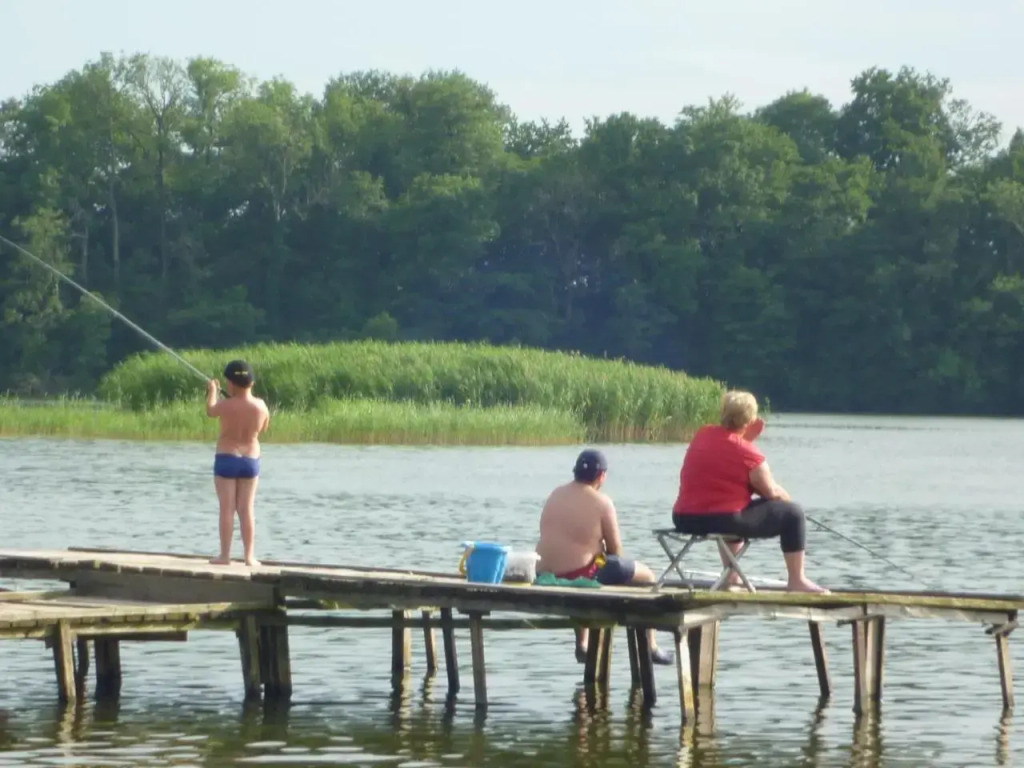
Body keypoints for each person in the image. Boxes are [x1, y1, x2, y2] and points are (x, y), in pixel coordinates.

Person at [672, 390, 827, 593]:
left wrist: (746, 436)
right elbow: (772, 492)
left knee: (736, 510)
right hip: (722, 520)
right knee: (793, 514)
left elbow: (726, 452)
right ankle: (797, 580)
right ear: (751, 419)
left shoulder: (703, 434)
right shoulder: (748, 452)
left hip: (684, 519)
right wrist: (788, 503)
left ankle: (731, 577)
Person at [536, 449, 674, 665]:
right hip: (579, 575)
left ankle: (582, 644)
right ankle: (651, 645)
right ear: (601, 476)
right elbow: (615, 550)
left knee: (587, 568)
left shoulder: (555, 494)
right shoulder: (602, 502)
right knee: (648, 576)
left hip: (545, 572)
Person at [206, 359, 270, 567]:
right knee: (246, 508)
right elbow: (264, 428)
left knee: (227, 508)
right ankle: (249, 557)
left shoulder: (225, 405)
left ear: (231, 384)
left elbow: (211, 410)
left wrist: (213, 391)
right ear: (251, 383)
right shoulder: (261, 406)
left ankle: (225, 555)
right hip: (250, 460)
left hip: (226, 458)